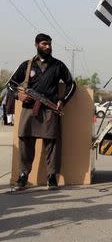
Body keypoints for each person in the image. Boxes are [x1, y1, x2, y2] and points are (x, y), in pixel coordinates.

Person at [9, 33, 76, 191]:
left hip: (49, 109)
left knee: (52, 144)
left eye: (50, 44)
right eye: (45, 44)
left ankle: (52, 177)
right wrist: (19, 95)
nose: (48, 47)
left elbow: (71, 84)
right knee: (25, 141)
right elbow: (11, 84)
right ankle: (23, 175)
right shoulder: (27, 65)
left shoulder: (58, 65)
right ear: (36, 45)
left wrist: (62, 100)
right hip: (29, 110)